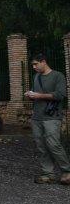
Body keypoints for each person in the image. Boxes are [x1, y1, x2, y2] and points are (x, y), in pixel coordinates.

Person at [25, 53, 69, 184]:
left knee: (53, 144)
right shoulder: (36, 77)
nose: (34, 67)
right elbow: (35, 93)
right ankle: (48, 173)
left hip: (52, 117)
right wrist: (30, 95)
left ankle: (67, 171)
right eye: (32, 64)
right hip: (37, 117)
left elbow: (60, 95)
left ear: (43, 62)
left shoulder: (58, 76)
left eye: (36, 64)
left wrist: (38, 96)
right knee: (41, 145)